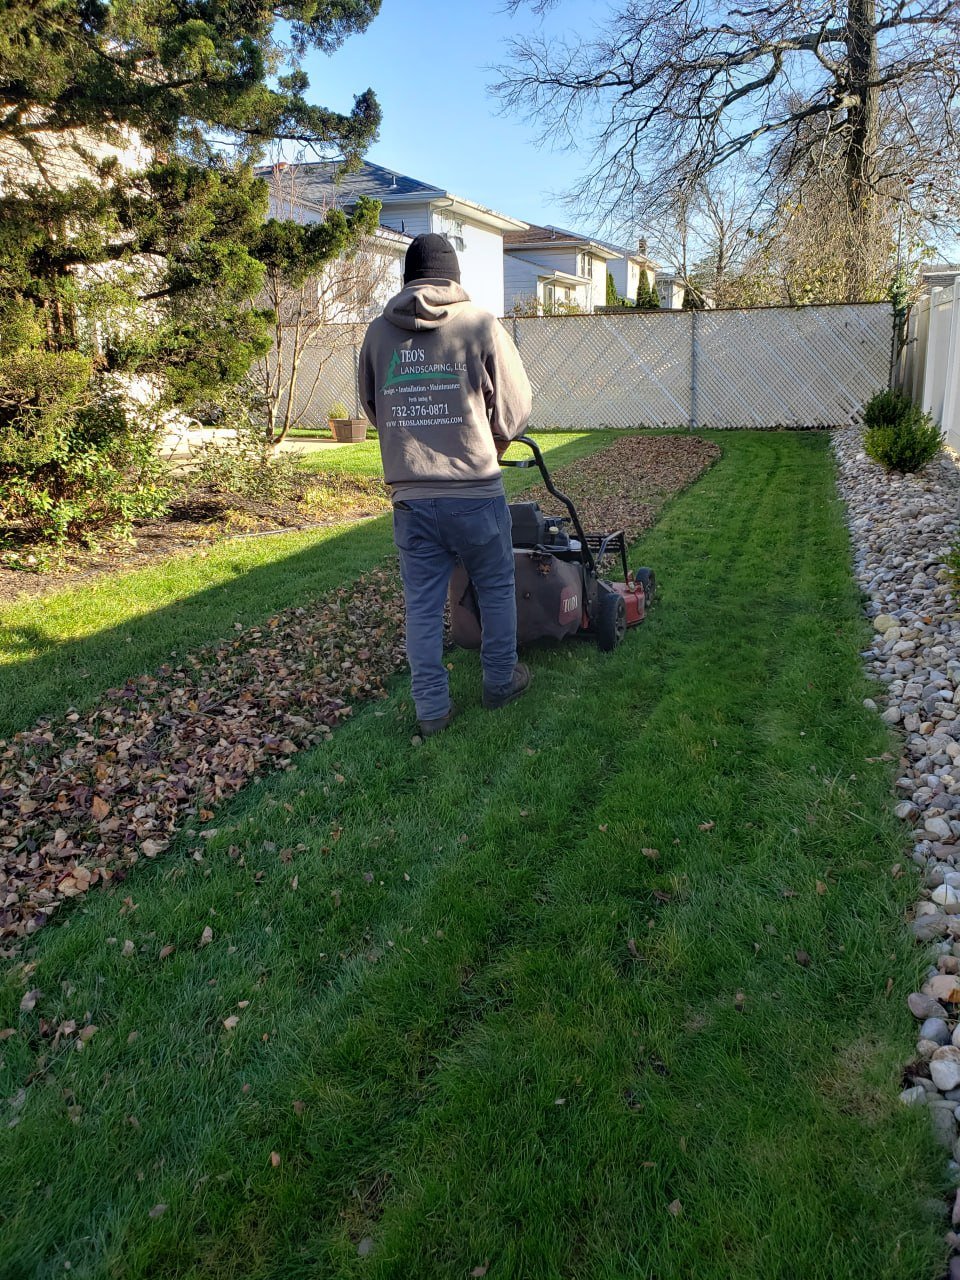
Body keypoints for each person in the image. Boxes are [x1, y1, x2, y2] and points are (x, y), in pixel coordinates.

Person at [358, 233, 533, 736]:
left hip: (411, 495)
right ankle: (500, 682)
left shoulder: (377, 334)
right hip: (475, 492)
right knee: (496, 586)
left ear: (407, 278)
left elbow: (374, 408)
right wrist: (495, 442)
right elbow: (516, 408)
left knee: (421, 605)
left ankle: (431, 709)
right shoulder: (479, 324)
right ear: (454, 278)